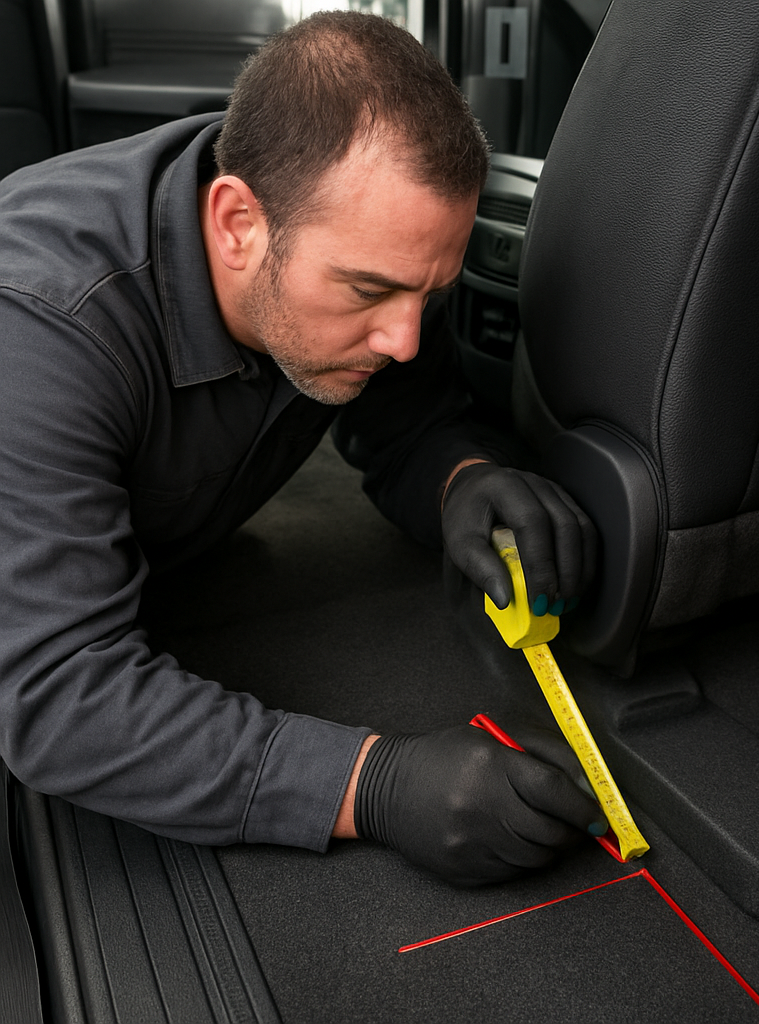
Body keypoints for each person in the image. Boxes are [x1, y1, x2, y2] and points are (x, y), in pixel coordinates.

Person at [0, 12, 601, 887]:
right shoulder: (41, 327)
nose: (403, 337)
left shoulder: (358, 246)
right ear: (238, 220)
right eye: (371, 291)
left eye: (429, 292)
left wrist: (466, 480)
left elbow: (406, 423)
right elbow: (59, 698)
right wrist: (372, 784)